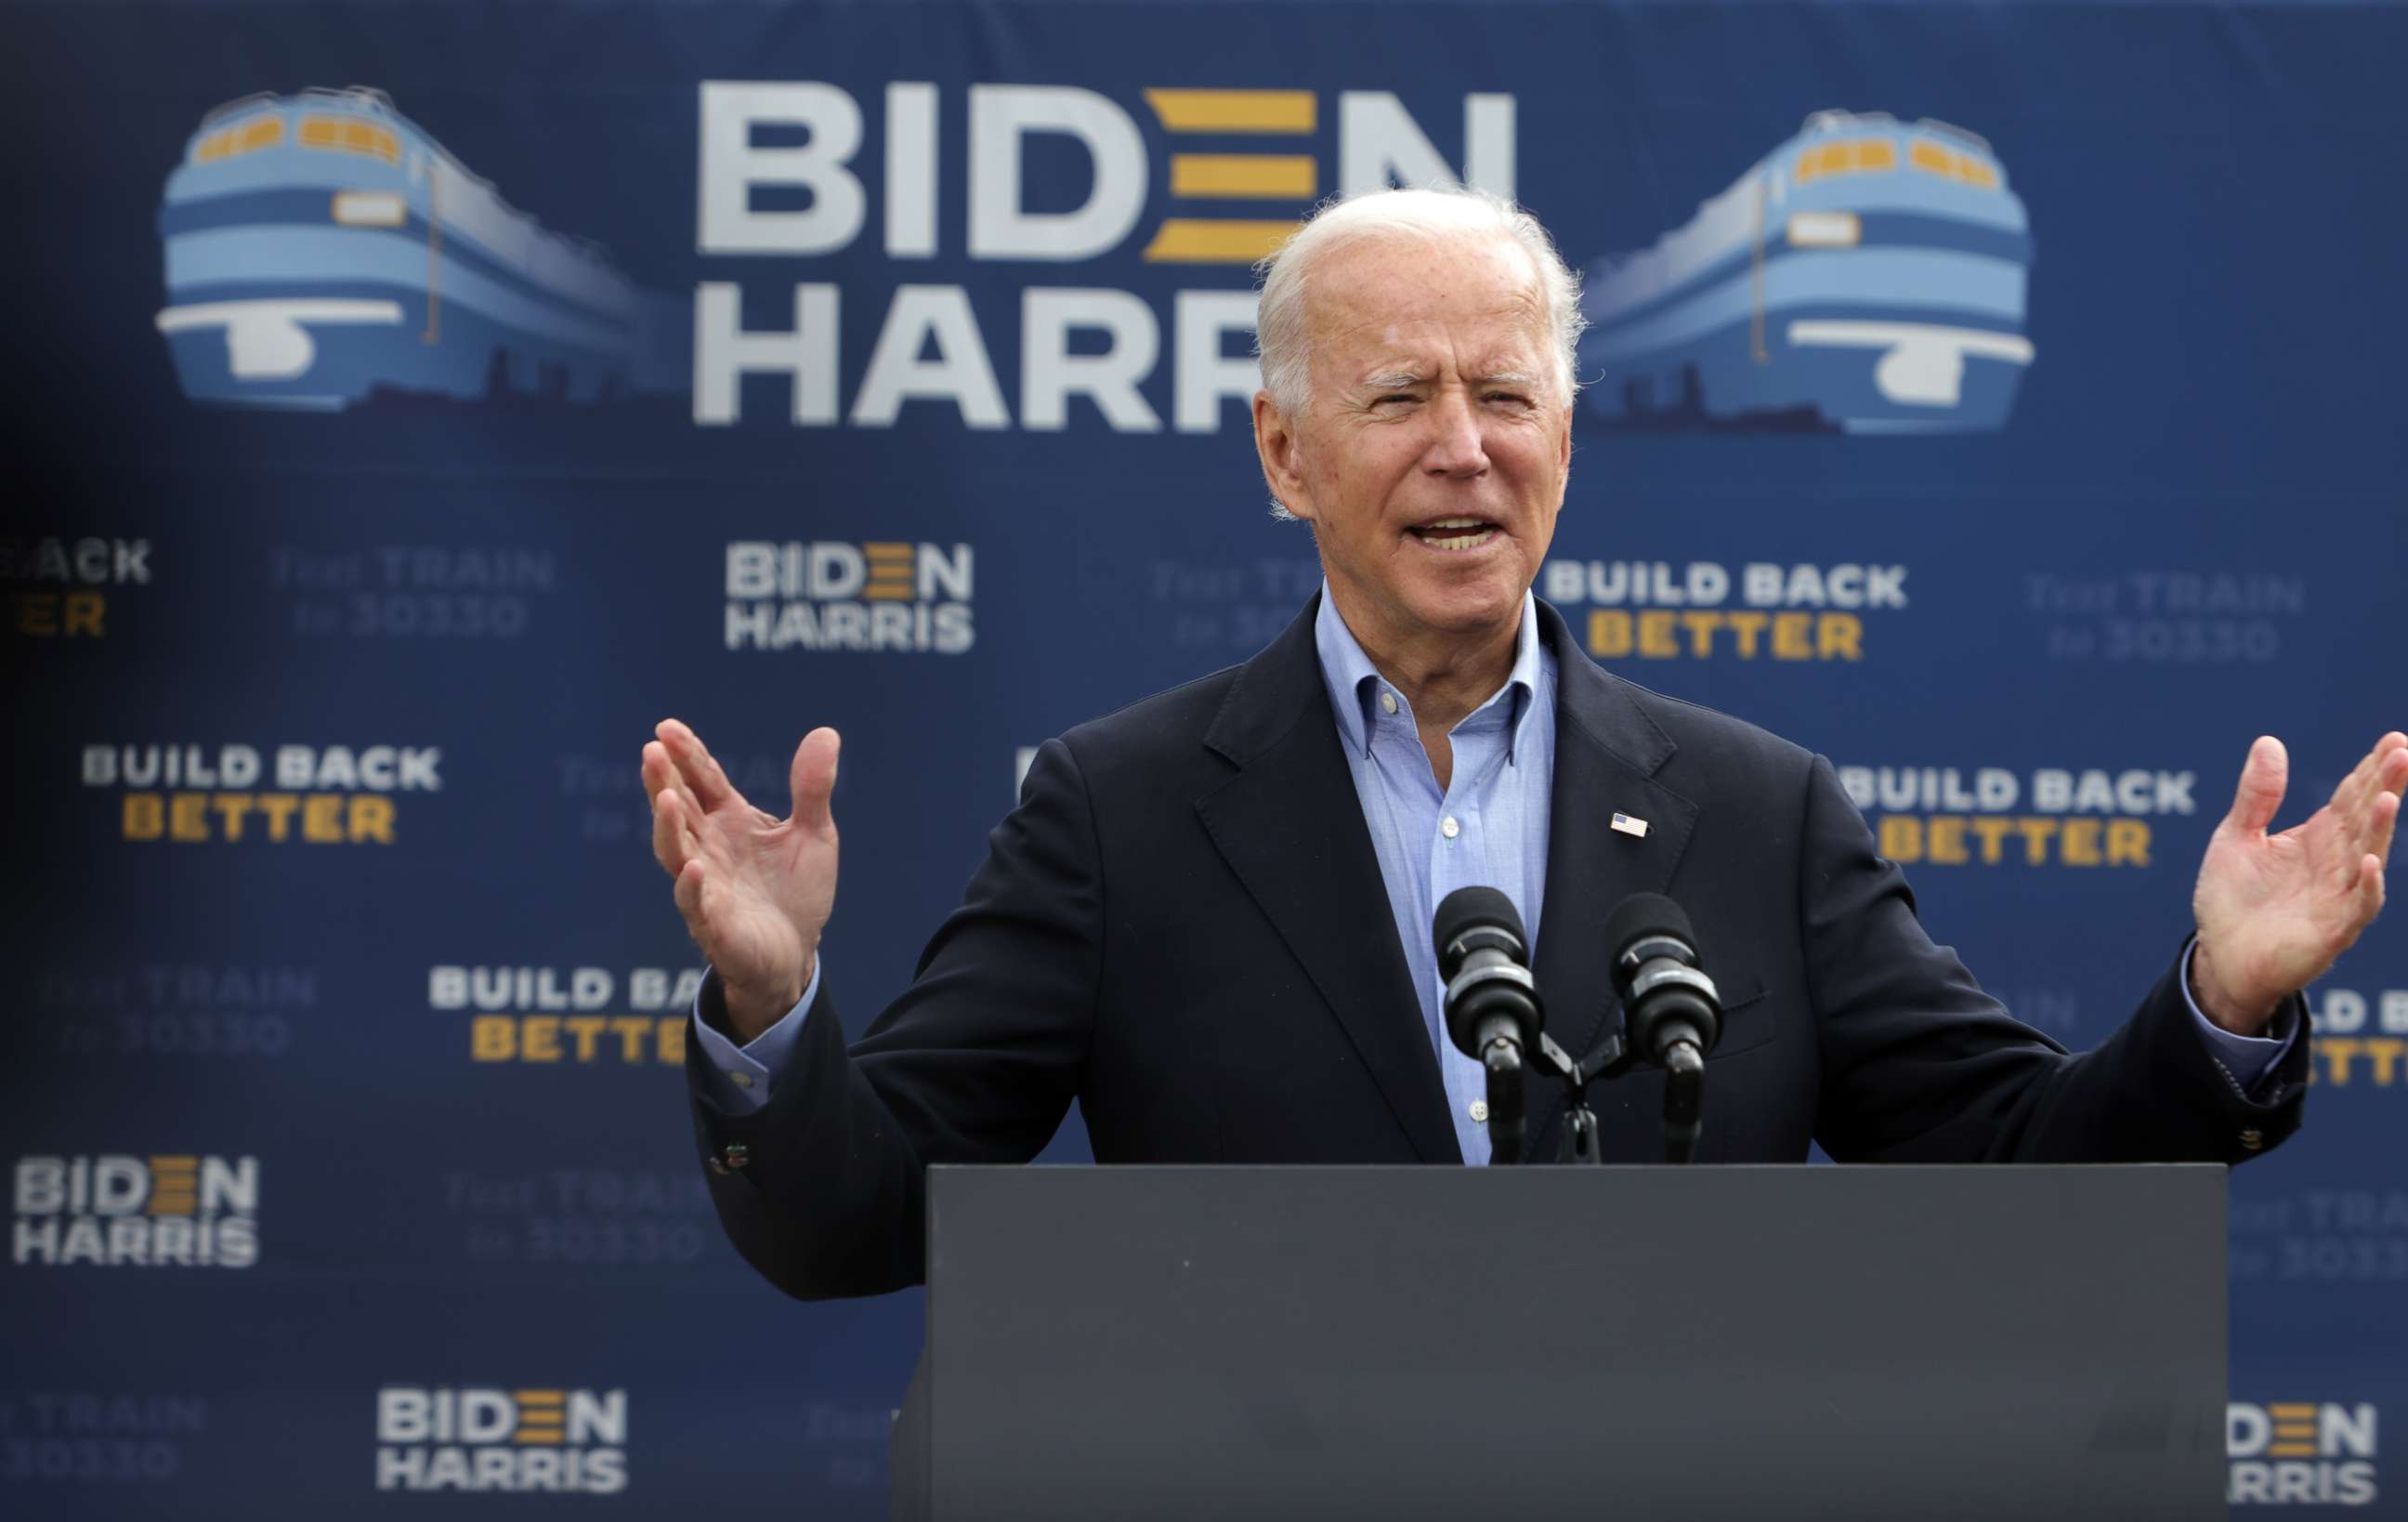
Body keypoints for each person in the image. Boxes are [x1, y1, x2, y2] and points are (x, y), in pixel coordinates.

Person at [641, 188, 2404, 1303]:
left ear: (1570, 434)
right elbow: (852, 1224)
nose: (1462, 448)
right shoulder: (1123, 812)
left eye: (1506, 395)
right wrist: (772, 1008)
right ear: (1282, 452)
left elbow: (2021, 1175)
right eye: (1399, 397)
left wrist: (2221, 1006)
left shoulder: (1755, 812)